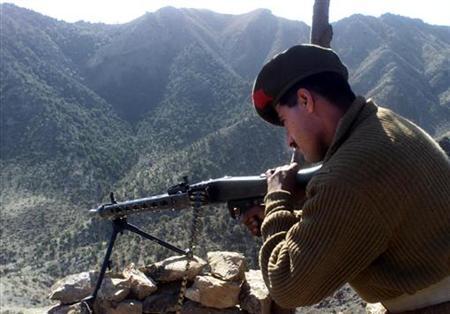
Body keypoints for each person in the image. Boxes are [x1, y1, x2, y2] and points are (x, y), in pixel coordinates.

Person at [243, 44, 450, 313]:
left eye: (285, 122)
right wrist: (289, 218)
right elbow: (363, 220)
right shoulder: (383, 124)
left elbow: (288, 286)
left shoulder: (352, 170)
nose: (290, 140)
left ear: (305, 100)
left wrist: (277, 199)